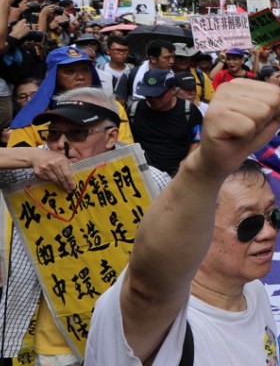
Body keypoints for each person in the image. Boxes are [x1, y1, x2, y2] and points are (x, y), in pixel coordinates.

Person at [85, 79, 280, 364]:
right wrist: (205, 167)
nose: (269, 232)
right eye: (249, 224)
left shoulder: (253, 291)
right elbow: (147, 290)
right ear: (197, 231)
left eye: (275, 216)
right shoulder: (152, 322)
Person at [0, 88, 170, 365]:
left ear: (111, 136)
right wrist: (30, 156)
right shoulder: (32, 170)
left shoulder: (149, 179)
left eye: (77, 134)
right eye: (53, 134)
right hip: (48, 345)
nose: (60, 145)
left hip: (129, 337)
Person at [127, 69, 204, 176]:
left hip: (179, 174)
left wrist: (188, 161)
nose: (152, 99)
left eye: (158, 95)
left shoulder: (189, 111)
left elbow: (197, 139)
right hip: (146, 174)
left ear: (172, 89)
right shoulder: (134, 111)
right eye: (148, 95)